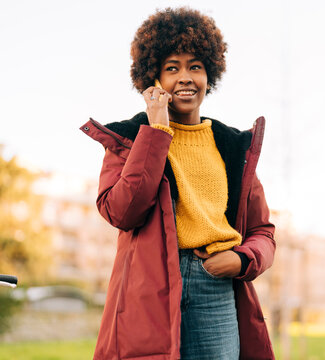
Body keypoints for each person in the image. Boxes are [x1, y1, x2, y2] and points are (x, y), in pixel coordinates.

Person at [80, 7, 275, 360]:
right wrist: (156, 132)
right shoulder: (128, 139)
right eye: (172, 68)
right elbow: (122, 212)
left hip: (215, 285)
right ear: (152, 78)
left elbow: (263, 229)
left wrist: (243, 260)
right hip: (147, 288)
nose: (185, 77)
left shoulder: (232, 145)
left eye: (195, 67)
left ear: (209, 75)